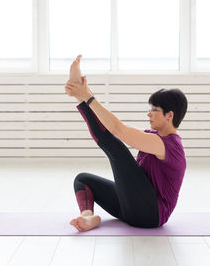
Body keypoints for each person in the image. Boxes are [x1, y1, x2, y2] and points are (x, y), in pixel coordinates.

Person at [64, 55, 188, 232]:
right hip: (130, 207)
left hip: (150, 214)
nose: (149, 114)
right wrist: (84, 94)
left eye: (154, 110)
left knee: (117, 149)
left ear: (170, 115)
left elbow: (117, 130)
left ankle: (82, 97)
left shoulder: (168, 146)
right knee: (83, 180)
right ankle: (87, 217)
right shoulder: (153, 137)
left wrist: (86, 97)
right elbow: (107, 129)